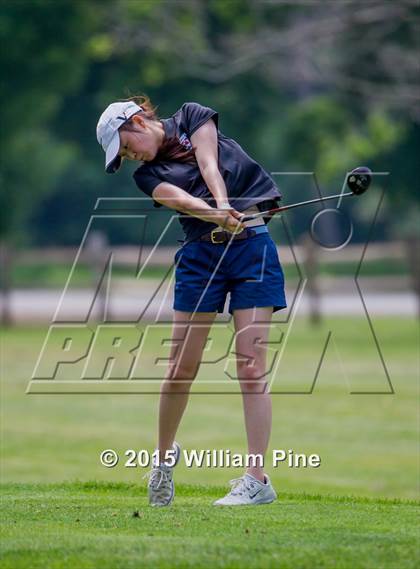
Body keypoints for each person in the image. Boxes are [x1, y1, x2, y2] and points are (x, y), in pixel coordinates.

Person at [96, 95, 287, 507]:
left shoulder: (193, 116)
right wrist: (216, 215)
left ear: (138, 122)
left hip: (252, 247)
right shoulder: (146, 176)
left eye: (127, 147)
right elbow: (180, 200)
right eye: (124, 156)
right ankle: (163, 462)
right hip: (201, 256)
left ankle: (257, 480)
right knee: (181, 367)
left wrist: (223, 206)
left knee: (251, 365)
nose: (130, 157)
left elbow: (209, 164)